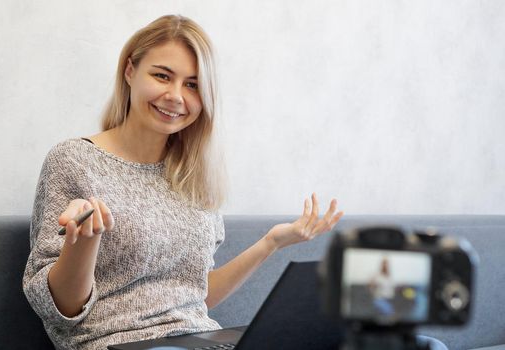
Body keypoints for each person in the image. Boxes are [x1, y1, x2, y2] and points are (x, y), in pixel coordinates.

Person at [22, 15, 343, 350]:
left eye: (192, 85)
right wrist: (82, 243)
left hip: (197, 338)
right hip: (110, 342)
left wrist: (270, 243)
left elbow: (194, 296)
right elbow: (58, 311)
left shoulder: (192, 175)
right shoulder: (74, 160)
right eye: (162, 76)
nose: (175, 96)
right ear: (130, 71)